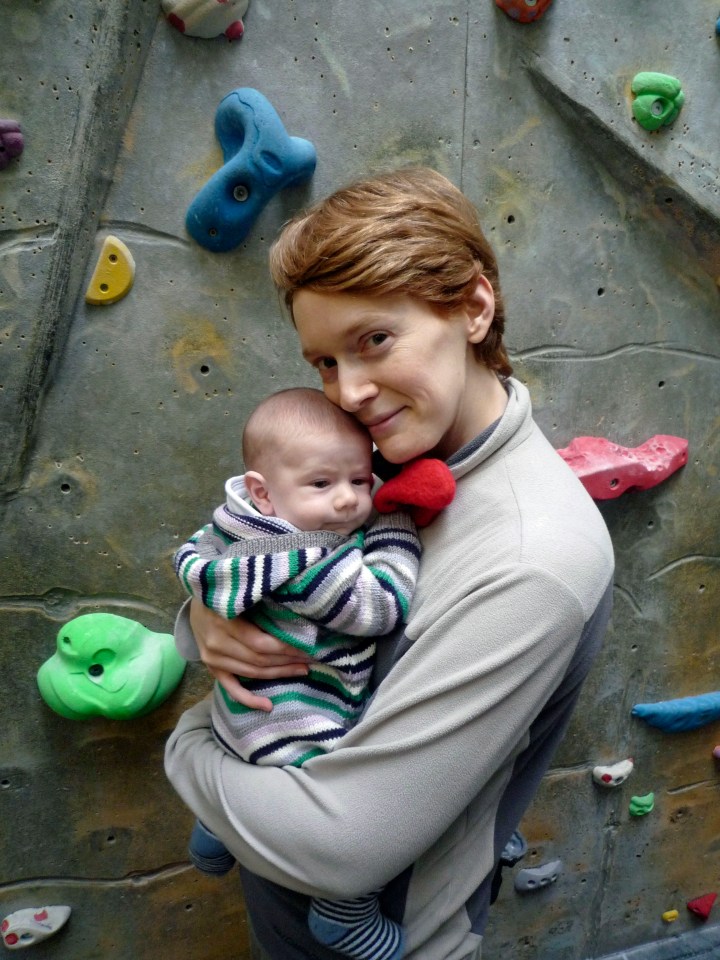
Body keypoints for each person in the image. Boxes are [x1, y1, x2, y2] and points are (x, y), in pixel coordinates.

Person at [165, 167, 615, 960]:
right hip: (283, 903)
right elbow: (277, 579)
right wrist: (201, 622)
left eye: (374, 340)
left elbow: (342, 846)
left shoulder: (529, 557)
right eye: (325, 363)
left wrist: (191, 744)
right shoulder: (381, 461)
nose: (350, 392)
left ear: (474, 308)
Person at [172, 386, 454, 960]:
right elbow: (378, 608)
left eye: (359, 479)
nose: (349, 501)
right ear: (263, 492)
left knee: (242, 768)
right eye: (322, 485)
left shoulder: (232, 526)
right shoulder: (301, 560)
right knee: (357, 820)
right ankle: (342, 913)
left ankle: (215, 828)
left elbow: (191, 558)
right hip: (299, 723)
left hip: (242, 718)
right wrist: (392, 529)